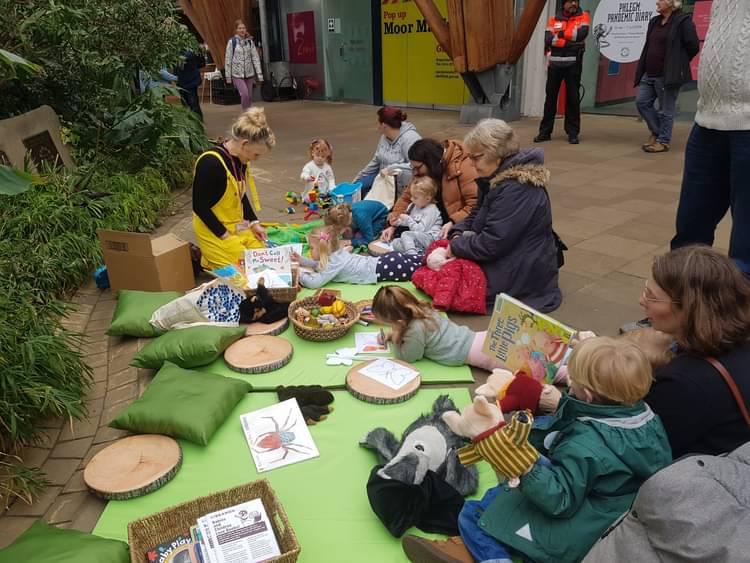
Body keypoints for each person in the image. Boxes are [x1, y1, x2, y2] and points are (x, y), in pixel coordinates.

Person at [402, 336, 672, 563]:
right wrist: (519, 438)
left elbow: (559, 500)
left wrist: (523, 466)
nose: (567, 383)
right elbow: (565, 436)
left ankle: (495, 557)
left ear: (587, 394)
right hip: (612, 509)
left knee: (473, 514)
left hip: (581, 525)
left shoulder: (587, 443)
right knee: (502, 493)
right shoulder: (646, 418)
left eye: (572, 379)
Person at [638, 245, 750, 459]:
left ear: (689, 308)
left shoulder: (683, 383)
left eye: (652, 297)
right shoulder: (740, 341)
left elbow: (642, 449)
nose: (641, 301)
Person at [447, 119, 561, 313]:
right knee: (438, 270)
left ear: (496, 154)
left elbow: (493, 243)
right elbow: (476, 214)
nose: (472, 164)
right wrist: (457, 233)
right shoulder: (496, 178)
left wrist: (456, 246)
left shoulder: (516, 188)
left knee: (449, 284)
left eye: (476, 157)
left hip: (520, 274)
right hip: (507, 259)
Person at [671, 0, 750, 275]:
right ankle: (680, 309)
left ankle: (737, 314)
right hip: (707, 119)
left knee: (746, 247)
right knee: (689, 231)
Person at [192, 107, 274, 270]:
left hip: (236, 226)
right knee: (248, 270)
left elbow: (239, 195)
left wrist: (254, 223)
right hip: (214, 229)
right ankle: (206, 258)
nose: (255, 159)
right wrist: (225, 235)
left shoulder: (241, 159)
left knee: (266, 259)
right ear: (244, 144)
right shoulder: (210, 163)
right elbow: (199, 207)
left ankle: (212, 257)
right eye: (256, 154)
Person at [372, 285, 503, 371]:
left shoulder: (414, 329)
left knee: (513, 366)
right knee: (506, 342)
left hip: (463, 352)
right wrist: (391, 333)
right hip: (472, 337)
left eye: (390, 324)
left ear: (400, 322)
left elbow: (409, 357)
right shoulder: (422, 309)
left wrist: (396, 338)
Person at [633, 0, 699, 153]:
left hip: (667, 74)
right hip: (648, 72)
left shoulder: (683, 21)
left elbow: (693, 46)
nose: (657, 2)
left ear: (671, 3)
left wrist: (678, 63)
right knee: (642, 102)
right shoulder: (654, 21)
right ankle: (657, 132)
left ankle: (663, 141)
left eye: (661, 0)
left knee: (665, 109)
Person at [382, 138, 478, 242]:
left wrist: (453, 222)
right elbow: (407, 198)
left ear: (431, 162)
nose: (415, 172)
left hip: (455, 226)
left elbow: (474, 205)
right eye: (412, 167)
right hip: (426, 223)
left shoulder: (463, 167)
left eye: (418, 167)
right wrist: (395, 222)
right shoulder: (423, 171)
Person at [533, 0, 590, 145]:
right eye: (570, 1)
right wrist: (568, 40)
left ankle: (572, 133)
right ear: (563, 4)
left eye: (576, 1)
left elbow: (581, 36)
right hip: (555, 64)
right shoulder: (553, 19)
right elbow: (548, 39)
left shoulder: (583, 17)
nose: (573, 4)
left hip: (573, 64)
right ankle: (544, 132)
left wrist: (561, 35)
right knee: (550, 99)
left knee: (573, 99)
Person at [295, 227, 422, 289]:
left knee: (424, 270)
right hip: (387, 261)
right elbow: (320, 265)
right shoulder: (335, 255)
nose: (309, 250)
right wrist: (302, 260)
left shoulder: (333, 264)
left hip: (388, 268)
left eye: (311, 248)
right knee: (421, 260)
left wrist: (300, 275)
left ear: (323, 249)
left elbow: (314, 283)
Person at [353, 106, 421, 196]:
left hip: (401, 184)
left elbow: (415, 165)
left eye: (378, 122)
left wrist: (390, 168)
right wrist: (358, 179)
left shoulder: (410, 139)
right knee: (360, 186)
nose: (377, 125)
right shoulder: (384, 136)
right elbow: (376, 160)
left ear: (384, 125)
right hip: (383, 178)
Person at [391, 177, 442, 255]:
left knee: (406, 234)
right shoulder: (415, 206)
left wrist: (408, 219)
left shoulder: (432, 210)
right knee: (395, 242)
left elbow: (421, 230)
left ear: (427, 199)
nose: (411, 199)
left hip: (430, 238)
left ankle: (412, 257)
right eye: (412, 196)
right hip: (417, 238)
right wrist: (397, 222)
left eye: (415, 197)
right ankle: (420, 253)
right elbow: (410, 223)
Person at [225, 20, 264, 110]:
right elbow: (228, 59)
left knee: (249, 97)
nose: (242, 30)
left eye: (243, 28)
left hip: (249, 74)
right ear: (236, 30)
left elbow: (255, 58)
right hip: (237, 74)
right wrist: (228, 77)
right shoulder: (232, 42)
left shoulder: (250, 42)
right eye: (240, 28)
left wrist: (259, 74)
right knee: (245, 95)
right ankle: (245, 115)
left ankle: (249, 116)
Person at [176, 49, 206, 119]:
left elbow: (177, 67)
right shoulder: (193, 51)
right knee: (193, 104)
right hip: (190, 80)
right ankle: (197, 121)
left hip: (185, 81)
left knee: (189, 104)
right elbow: (202, 64)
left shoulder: (182, 53)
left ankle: (194, 121)